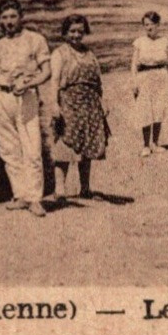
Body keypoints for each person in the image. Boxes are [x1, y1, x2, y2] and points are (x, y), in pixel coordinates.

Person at [0, 0, 50, 216]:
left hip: (26, 98)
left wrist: (29, 84)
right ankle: (20, 195)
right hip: (1, 97)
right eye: (4, 17)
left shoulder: (35, 40)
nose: (9, 21)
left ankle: (35, 198)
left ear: (21, 16)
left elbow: (46, 72)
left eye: (13, 16)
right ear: (0, 20)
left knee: (32, 147)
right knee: (8, 148)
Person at [49, 14, 109, 199]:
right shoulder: (59, 53)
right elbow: (55, 80)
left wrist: (103, 102)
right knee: (65, 143)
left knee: (88, 144)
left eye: (80, 32)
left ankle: (85, 188)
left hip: (90, 103)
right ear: (65, 32)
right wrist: (54, 103)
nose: (76, 35)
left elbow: (98, 82)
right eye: (72, 31)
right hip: (69, 102)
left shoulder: (90, 54)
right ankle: (60, 189)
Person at [131, 10, 168, 155]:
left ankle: (155, 143)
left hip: (161, 77)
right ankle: (145, 145)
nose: (149, 28)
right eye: (146, 25)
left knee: (158, 109)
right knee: (145, 110)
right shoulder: (139, 42)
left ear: (158, 25)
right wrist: (134, 82)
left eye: (151, 24)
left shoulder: (165, 42)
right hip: (144, 77)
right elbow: (133, 64)